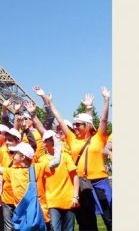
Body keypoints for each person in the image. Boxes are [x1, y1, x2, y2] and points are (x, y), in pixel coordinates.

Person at [40, 86, 112, 230]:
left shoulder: (98, 138)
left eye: (78, 124)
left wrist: (106, 100)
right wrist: (49, 101)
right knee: (86, 222)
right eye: (74, 124)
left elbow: (103, 120)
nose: (75, 127)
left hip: (100, 182)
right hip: (82, 184)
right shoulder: (72, 139)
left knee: (110, 218)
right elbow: (60, 120)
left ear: (87, 126)